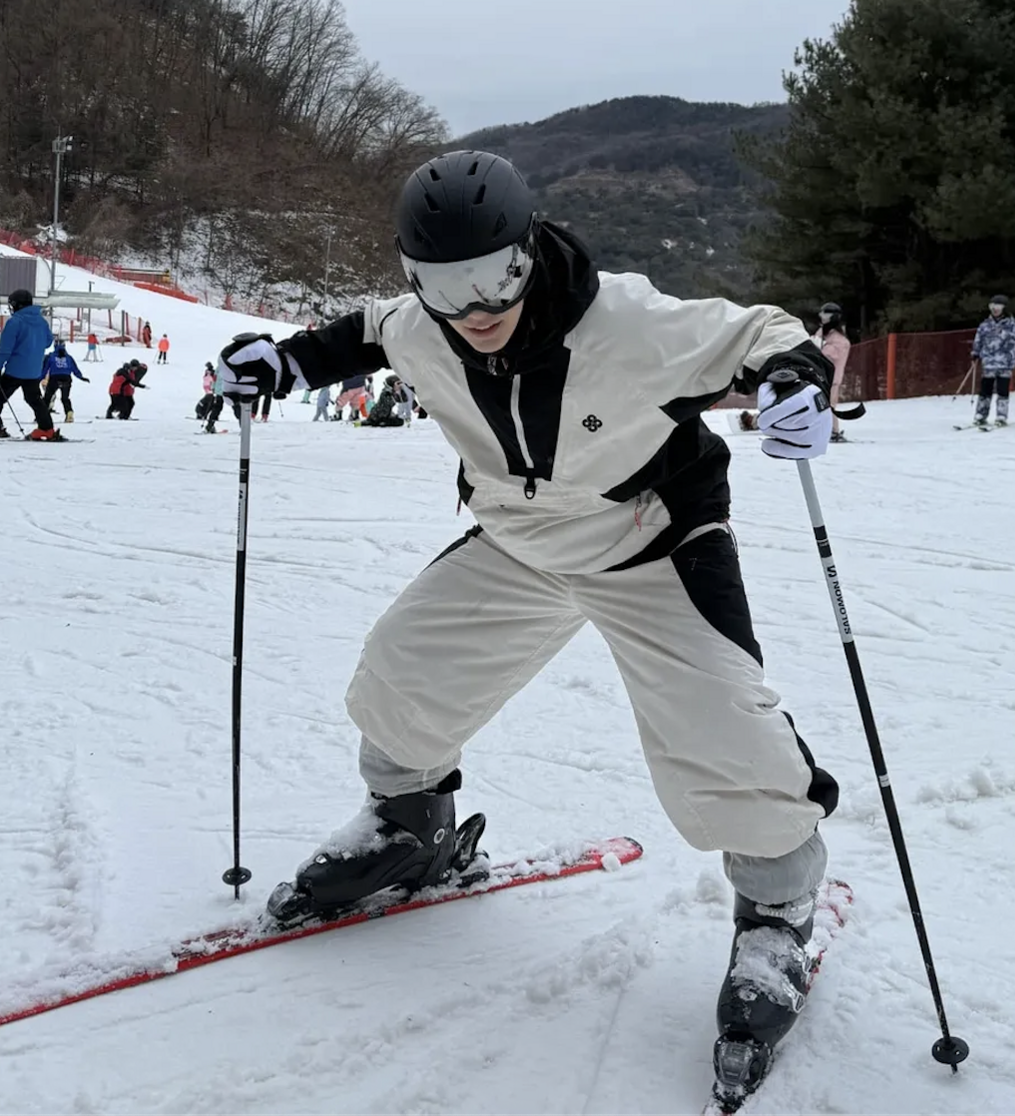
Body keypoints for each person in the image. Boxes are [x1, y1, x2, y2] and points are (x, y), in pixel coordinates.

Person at [218, 150, 839, 1083]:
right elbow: (361, 334)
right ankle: (410, 825)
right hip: (520, 539)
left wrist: (799, 382)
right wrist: (283, 359)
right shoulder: (423, 324)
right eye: (443, 282)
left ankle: (778, 915)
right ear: (411, 275)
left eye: (495, 275)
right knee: (400, 675)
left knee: (721, 731)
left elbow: (761, 331)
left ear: (530, 247)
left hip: (649, 539)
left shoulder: (627, 322)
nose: (475, 306)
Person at [0, 290, 56, 441]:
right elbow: (48, 342)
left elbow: (4, 350)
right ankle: (47, 429)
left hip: (15, 370)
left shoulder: (14, 322)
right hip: (34, 370)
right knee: (34, 399)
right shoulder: (42, 321)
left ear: (17, 305)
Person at [971, 293, 1015, 427]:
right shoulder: (985, 325)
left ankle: (1001, 415)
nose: (995, 309)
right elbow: (978, 340)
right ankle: (981, 414)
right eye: (992, 306)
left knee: (1002, 390)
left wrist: (1004, 334)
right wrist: (975, 353)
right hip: (989, 363)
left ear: (1004, 308)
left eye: (998, 306)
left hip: (1005, 363)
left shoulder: (1011, 324)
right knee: (985, 390)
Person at [811, 303, 852, 443]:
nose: (821, 316)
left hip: (832, 378)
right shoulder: (823, 332)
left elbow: (831, 354)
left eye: (825, 313)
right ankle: (819, 429)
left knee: (829, 404)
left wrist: (818, 347)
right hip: (819, 376)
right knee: (816, 404)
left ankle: (833, 431)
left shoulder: (839, 338)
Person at [41, 339, 88, 423]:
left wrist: (39, 378)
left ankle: (42, 416)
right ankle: (69, 413)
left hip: (54, 378)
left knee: (47, 398)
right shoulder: (69, 357)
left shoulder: (50, 356)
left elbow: (45, 370)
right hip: (66, 378)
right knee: (65, 398)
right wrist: (81, 377)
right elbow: (75, 369)